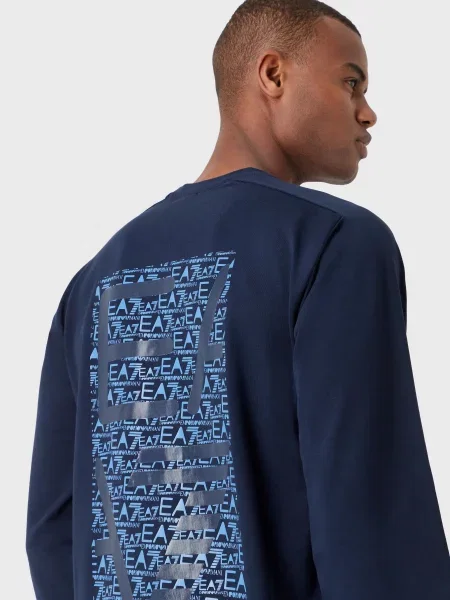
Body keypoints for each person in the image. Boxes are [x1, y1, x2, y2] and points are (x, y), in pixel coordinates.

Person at [26, 1, 450, 599]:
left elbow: (55, 531)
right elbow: (370, 527)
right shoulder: (332, 244)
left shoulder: (93, 282)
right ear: (273, 75)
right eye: (350, 82)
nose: (367, 111)